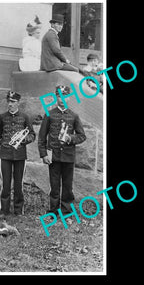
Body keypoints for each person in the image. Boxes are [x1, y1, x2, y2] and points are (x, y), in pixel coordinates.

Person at [37, 85, 87, 215]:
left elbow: (82, 136)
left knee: (67, 186)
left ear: (69, 97)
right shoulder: (49, 114)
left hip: (68, 156)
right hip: (53, 156)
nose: (62, 99)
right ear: (56, 97)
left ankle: (66, 211)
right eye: (59, 96)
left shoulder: (74, 116)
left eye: (65, 96)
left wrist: (70, 138)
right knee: (54, 185)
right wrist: (43, 154)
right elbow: (42, 136)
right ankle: (53, 211)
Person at [0, 91, 36, 217]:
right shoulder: (2, 117)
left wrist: (22, 140)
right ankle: (4, 211)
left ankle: (18, 211)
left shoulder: (25, 117)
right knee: (5, 184)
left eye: (13, 102)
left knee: (19, 184)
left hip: (20, 155)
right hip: (5, 155)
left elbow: (32, 135)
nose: (10, 104)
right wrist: (5, 144)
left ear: (18, 102)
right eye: (9, 101)